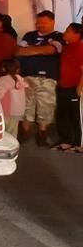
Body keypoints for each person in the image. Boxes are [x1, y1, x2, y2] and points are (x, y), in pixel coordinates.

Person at [17, 10, 64, 146]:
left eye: (44, 22)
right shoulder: (29, 35)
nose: (40, 25)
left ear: (52, 22)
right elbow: (19, 50)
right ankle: (25, 131)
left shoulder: (58, 36)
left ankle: (42, 134)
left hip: (48, 77)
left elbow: (50, 50)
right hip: (27, 75)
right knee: (27, 105)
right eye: (38, 22)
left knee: (46, 106)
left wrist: (32, 50)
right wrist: (39, 50)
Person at [54, 23, 83, 151]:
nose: (64, 32)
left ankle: (78, 144)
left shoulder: (80, 49)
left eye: (68, 30)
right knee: (62, 114)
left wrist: (80, 88)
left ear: (77, 34)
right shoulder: (67, 47)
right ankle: (65, 141)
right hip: (62, 86)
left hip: (74, 88)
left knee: (75, 116)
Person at [0, 59, 27, 139]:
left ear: (3, 69)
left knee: (3, 132)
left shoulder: (4, 80)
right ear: (18, 69)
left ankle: (4, 148)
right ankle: (12, 148)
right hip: (16, 112)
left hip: (5, 111)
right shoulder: (20, 79)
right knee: (13, 133)